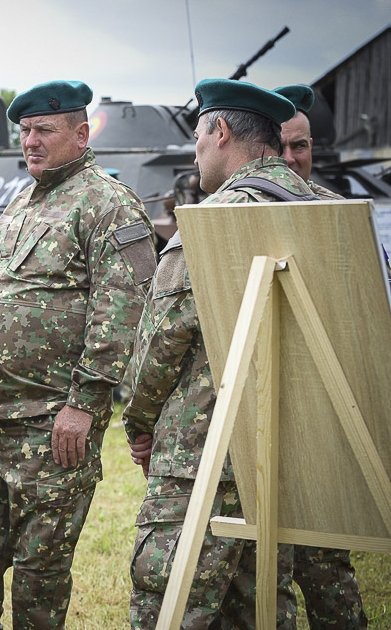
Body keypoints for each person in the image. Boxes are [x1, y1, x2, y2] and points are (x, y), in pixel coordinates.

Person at [0, 79, 156, 630]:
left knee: (40, 574)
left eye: (44, 130)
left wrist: (84, 403)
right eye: (25, 131)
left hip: (49, 426)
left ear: (81, 135)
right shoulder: (21, 202)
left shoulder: (108, 204)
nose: (31, 141)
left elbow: (124, 311)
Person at [122, 78, 305, 629]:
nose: (196, 152)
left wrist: (138, 423)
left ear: (220, 132)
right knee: (263, 605)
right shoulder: (328, 212)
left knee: (170, 601)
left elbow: (161, 341)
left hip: (203, 457)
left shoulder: (214, 221)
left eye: (199, 138)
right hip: (294, 453)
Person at [275, 83, 369, 630]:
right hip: (257, 409)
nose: (292, 159)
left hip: (329, 412)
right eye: (282, 147)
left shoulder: (341, 215)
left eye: (302, 147)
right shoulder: (237, 211)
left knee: (327, 566)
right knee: (265, 569)